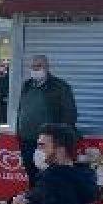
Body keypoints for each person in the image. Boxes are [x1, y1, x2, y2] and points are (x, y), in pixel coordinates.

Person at [16, 54, 77, 187]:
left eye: (39, 66)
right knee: (32, 175)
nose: (35, 69)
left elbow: (70, 114)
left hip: (49, 143)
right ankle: (35, 203)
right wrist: (18, 131)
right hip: (27, 140)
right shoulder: (27, 85)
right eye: (33, 66)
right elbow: (21, 109)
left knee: (50, 177)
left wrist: (60, 140)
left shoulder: (60, 86)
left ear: (47, 67)